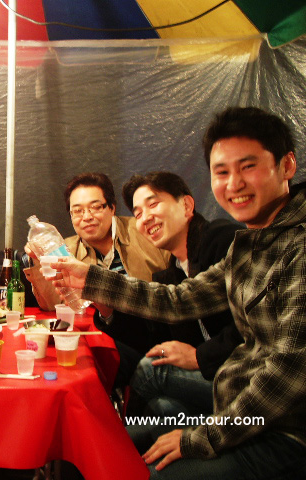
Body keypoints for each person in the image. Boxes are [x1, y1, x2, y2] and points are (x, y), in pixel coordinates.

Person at [52, 107, 306, 479]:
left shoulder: (292, 246)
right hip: (237, 403)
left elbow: (289, 375)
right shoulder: (248, 245)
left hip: (282, 432)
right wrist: (89, 278)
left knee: (143, 469)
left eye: (248, 166)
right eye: (222, 172)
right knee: (104, 444)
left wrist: (199, 437)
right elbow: (178, 300)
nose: (234, 183)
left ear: (287, 166)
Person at [24, 172, 170, 388]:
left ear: (111, 207)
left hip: (151, 336)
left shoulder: (144, 233)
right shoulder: (66, 249)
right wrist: (39, 264)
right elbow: (52, 305)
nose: (87, 217)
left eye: (95, 207)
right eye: (77, 211)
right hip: (105, 335)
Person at [120, 171, 242, 428]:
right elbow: (152, 339)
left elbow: (252, 325)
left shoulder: (223, 239)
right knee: (164, 408)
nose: (145, 217)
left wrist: (200, 355)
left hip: (246, 378)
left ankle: (115, 440)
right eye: (137, 214)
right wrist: (107, 311)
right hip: (210, 376)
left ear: (186, 205)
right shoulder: (171, 274)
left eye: (153, 204)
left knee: (153, 370)